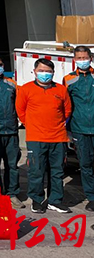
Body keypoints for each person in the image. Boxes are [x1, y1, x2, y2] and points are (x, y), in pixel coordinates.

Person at [16, 58, 72, 214]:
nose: (45, 74)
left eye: (48, 71)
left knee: (57, 172)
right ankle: (37, 200)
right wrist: (32, 125)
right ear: (34, 72)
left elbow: (67, 110)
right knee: (36, 171)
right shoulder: (26, 89)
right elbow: (20, 111)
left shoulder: (61, 90)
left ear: (53, 73)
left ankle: (55, 201)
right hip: (36, 138)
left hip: (58, 138)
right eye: (41, 71)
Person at [0, 56, 23, 208]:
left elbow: (19, 104)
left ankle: (12, 193)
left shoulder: (12, 84)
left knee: (12, 165)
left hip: (11, 131)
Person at [64, 45, 94, 212]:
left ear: (91, 58)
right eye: (79, 58)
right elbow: (66, 105)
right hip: (79, 129)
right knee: (85, 164)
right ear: (74, 60)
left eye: (85, 58)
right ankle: (92, 197)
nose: (83, 61)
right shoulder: (68, 79)